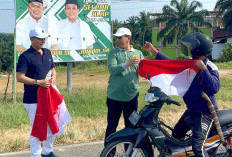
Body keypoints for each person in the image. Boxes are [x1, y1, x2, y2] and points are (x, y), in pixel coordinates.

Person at [143, 32, 220, 157]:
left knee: (198, 147)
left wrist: (204, 70)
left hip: (206, 112)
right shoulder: (190, 63)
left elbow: (215, 87)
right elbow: (171, 64)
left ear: (199, 48)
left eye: (191, 46)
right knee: (176, 137)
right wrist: (154, 51)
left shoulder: (210, 66)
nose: (189, 48)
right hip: (192, 110)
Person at [16, 27, 58, 157]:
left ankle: (47, 151)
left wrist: (53, 80)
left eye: (44, 38)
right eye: (39, 38)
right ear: (31, 39)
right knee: (36, 127)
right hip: (32, 99)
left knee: (51, 125)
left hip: (48, 97)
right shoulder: (25, 56)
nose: (43, 41)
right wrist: (38, 82)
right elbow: (19, 77)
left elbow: (53, 69)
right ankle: (36, 154)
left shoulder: (47, 52)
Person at [104, 27, 144, 144]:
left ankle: (129, 151)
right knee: (112, 126)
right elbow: (113, 69)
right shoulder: (113, 53)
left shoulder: (138, 53)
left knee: (131, 127)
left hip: (131, 97)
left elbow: (142, 72)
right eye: (116, 38)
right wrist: (128, 64)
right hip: (114, 97)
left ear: (128, 38)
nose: (118, 40)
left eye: (120, 37)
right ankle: (109, 153)